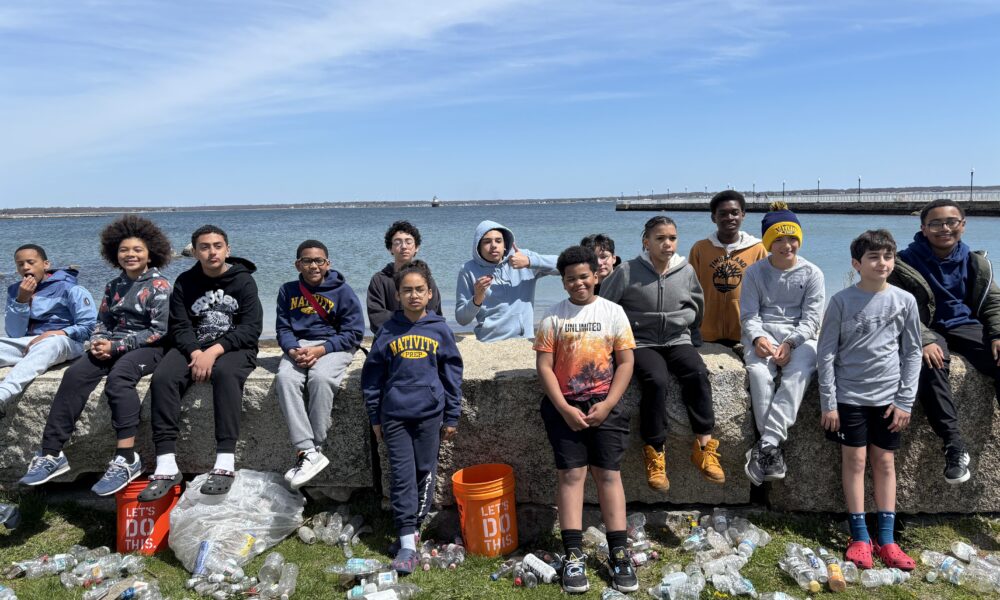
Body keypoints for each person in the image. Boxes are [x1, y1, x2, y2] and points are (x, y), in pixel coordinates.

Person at [19, 216, 172, 496]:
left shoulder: (160, 286)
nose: (130, 255)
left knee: (119, 379)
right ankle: (52, 453)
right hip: (110, 345)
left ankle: (126, 458)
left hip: (147, 349)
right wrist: (98, 341)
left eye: (137, 250)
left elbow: (158, 331)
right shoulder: (114, 285)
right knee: (74, 375)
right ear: (115, 254)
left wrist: (117, 348)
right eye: (124, 250)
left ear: (150, 253)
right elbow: (101, 321)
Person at [534, 245, 637, 594]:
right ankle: (573, 553)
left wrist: (608, 405)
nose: (578, 283)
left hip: (605, 406)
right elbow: (544, 367)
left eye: (583, 277)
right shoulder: (552, 318)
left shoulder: (614, 313)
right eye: (570, 279)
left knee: (609, 475)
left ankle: (619, 551)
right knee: (571, 475)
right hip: (565, 407)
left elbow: (625, 363)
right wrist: (563, 407)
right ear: (562, 283)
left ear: (596, 276)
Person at [818, 229, 921, 571]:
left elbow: (912, 353)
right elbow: (826, 354)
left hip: (889, 398)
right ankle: (860, 536)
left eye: (887, 257)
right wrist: (829, 402)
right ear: (856, 264)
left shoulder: (904, 301)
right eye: (873, 257)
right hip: (849, 397)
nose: (882, 263)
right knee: (856, 462)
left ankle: (888, 539)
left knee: (886, 463)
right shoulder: (841, 301)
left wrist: (905, 400)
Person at [599, 216, 725, 492]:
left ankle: (704, 446)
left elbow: (697, 304)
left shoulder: (686, 271)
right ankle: (655, 452)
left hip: (677, 339)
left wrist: (693, 336)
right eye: (660, 238)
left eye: (672, 238)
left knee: (697, 372)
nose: (667, 244)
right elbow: (605, 306)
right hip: (641, 342)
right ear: (646, 241)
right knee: (656, 380)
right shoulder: (628, 271)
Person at [139, 225, 263, 501]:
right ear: (195, 252)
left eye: (217, 246)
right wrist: (196, 353)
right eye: (204, 247)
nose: (212, 252)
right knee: (163, 379)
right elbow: (180, 326)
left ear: (227, 249)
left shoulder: (243, 281)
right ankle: (167, 463)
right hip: (193, 347)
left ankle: (225, 461)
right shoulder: (186, 281)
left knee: (226, 375)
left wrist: (215, 351)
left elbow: (251, 327)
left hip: (234, 346)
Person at [887, 199, 1000, 485]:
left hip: (965, 325)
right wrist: (923, 339)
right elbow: (897, 307)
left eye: (951, 222)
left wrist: (997, 334)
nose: (944, 228)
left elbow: (993, 303)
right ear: (923, 228)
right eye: (935, 223)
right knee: (930, 364)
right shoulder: (904, 262)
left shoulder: (977, 261)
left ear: (962, 225)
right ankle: (953, 445)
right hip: (927, 326)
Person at [361, 260, 463, 574]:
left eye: (420, 289)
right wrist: (375, 415)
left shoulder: (439, 329)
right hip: (395, 416)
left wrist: (452, 415)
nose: (414, 295)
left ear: (430, 293)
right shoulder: (388, 330)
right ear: (398, 295)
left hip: (430, 416)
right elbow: (373, 376)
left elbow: (452, 374)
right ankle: (406, 542)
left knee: (424, 473)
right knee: (402, 475)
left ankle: (412, 530)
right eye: (407, 290)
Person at [740, 202, 824, 486]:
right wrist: (758, 338)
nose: (786, 245)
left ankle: (765, 444)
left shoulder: (813, 273)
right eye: (778, 239)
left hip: (800, 337)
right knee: (760, 375)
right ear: (768, 242)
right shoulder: (754, 272)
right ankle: (771, 447)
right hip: (763, 332)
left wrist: (790, 343)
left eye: (792, 238)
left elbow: (812, 320)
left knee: (797, 375)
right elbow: (749, 315)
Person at [275, 240, 364, 488]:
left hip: (333, 344)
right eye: (307, 261)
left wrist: (321, 349)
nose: (313, 265)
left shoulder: (343, 291)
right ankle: (308, 451)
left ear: (327, 263)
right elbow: (283, 328)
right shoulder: (287, 290)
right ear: (297, 264)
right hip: (299, 345)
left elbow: (354, 333)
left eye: (319, 261)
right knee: (285, 379)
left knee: (321, 379)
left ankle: (315, 446)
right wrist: (293, 350)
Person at [0, 244, 96, 417]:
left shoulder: (71, 288)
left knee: (49, 344)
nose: (25, 267)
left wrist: (56, 333)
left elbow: (89, 327)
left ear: (45, 264)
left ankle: (3, 394)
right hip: (29, 343)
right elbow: (15, 334)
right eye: (20, 264)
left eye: (30, 262)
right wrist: (22, 300)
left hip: (64, 342)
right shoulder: (16, 290)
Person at [455, 220, 557, 342]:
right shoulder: (468, 270)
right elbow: (462, 319)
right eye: (487, 242)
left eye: (498, 241)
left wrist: (530, 262)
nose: (493, 245)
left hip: (523, 339)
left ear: (505, 245)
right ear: (478, 247)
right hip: (488, 341)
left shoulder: (522, 258)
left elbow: (566, 266)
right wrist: (477, 299)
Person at [689, 191, 766, 346]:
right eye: (723, 213)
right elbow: (690, 290)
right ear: (713, 217)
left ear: (743, 214)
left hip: (744, 332)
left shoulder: (758, 249)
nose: (729, 218)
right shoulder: (700, 248)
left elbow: (765, 292)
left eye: (734, 213)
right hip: (707, 332)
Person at [367, 221, 442, 336]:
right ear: (390, 248)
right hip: (389, 338)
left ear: (416, 247)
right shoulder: (379, 280)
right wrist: (407, 325)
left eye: (408, 242)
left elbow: (434, 314)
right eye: (398, 242)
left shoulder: (426, 279)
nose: (404, 247)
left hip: (423, 337)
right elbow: (376, 318)